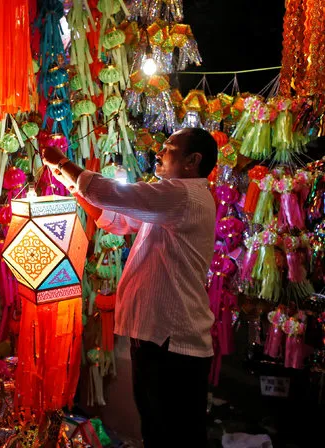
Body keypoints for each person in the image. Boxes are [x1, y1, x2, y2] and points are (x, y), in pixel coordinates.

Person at [42, 128, 218, 447]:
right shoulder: (171, 200)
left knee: (173, 433)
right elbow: (120, 221)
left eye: (169, 148)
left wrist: (63, 163)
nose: (160, 153)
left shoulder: (183, 195)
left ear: (193, 161)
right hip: (155, 335)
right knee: (155, 427)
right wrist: (76, 189)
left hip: (172, 340)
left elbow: (115, 194)